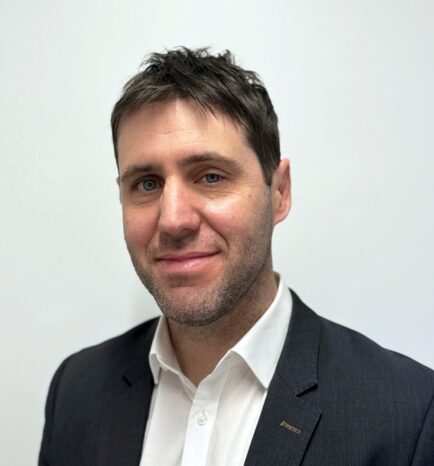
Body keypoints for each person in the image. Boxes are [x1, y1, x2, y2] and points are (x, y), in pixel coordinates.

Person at [39, 47, 434, 466]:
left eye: (211, 176)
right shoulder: (76, 391)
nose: (173, 220)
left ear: (279, 192)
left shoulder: (407, 416)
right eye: (147, 184)